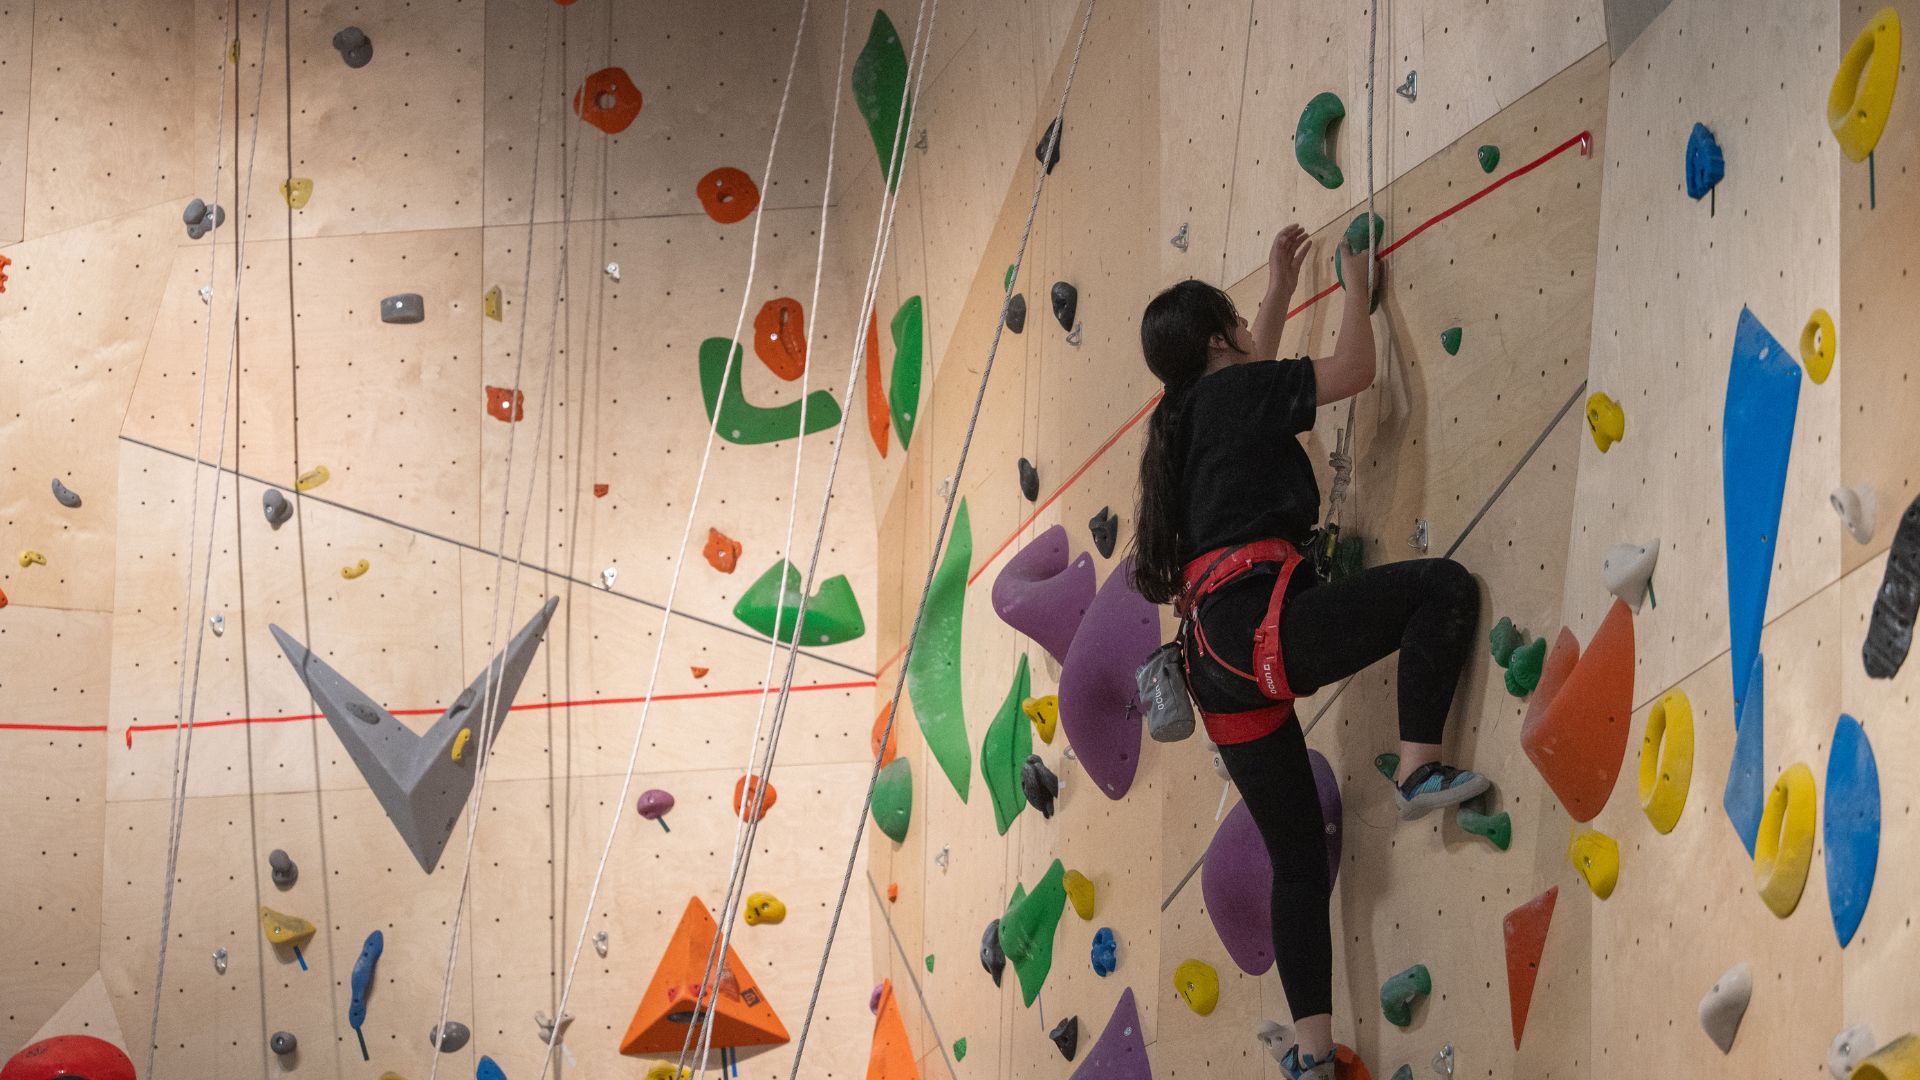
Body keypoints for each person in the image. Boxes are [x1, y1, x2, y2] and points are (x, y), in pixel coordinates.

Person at [1130, 225, 1486, 1079]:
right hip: (1264, 636)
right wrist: (1355, 286)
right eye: (1240, 326)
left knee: (1297, 864)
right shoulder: (1229, 398)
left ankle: (1315, 1057)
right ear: (1220, 339)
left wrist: (1282, 287)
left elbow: (1254, 376)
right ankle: (1418, 769)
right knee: (1442, 591)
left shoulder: (1184, 422)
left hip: (1219, 675)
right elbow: (1355, 373)